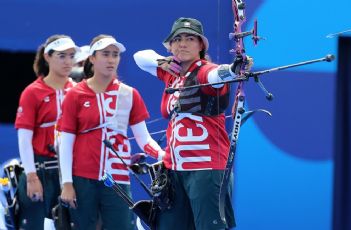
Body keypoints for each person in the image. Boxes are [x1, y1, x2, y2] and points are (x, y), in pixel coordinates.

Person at [134, 17, 251, 230]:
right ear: (170, 46)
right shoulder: (171, 74)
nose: (183, 44)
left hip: (206, 169)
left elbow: (217, 74)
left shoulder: (205, 71)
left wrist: (233, 69)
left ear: (201, 45)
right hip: (175, 171)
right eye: (177, 39)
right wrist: (162, 61)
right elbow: (139, 57)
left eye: (190, 38)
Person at [58, 34, 165, 230]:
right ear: (92, 58)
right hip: (82, 179)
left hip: (117, 178)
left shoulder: (129, 94)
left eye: (115, 54)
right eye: (105, 54)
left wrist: (164, 156)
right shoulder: (75, 94)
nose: (111, 59)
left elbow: (144, 139)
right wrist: (67, 183)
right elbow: (66, 142)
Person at [14, 35, 79, 229]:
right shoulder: (32, 92)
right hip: (41, 171)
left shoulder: (77, 90)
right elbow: (24, 139)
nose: (68, 62)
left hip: (70, 172)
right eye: (62, 56)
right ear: (47, 57)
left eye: (71, 56)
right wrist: (32, 177)